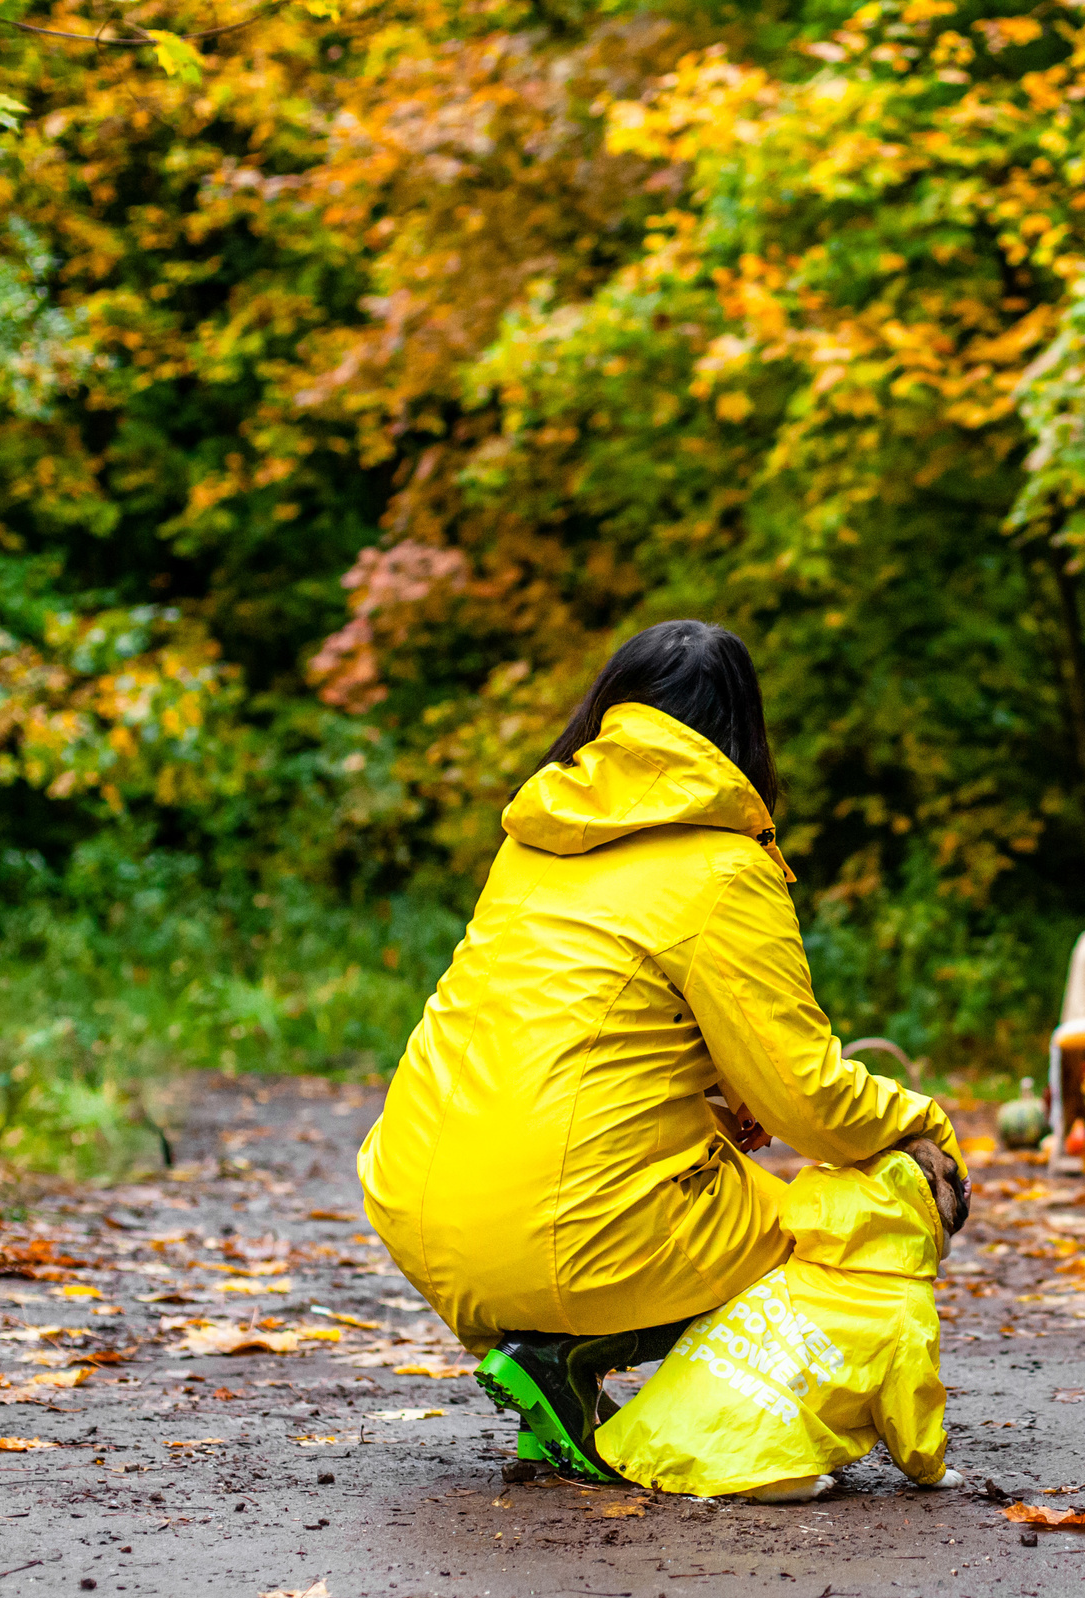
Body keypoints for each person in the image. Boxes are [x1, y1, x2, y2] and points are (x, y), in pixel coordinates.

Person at [357, 620, 962, 1480]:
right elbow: (810, 1100)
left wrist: (719, 1100)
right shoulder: (724, 866)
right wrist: (921, 1123)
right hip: (561, 1231)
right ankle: (576, 1358)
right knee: (833, 1222)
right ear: (742, 736)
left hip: (419, 1200)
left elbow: (574, 1034)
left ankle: (559, 1377)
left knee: (672, 1185)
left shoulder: (537, 838)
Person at [594, 1135, 967, 1502]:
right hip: (750, 1450)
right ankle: (770, 1479)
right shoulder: (902, 1302)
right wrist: (926, 1467)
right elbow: (910, 1393)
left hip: (660, 1429)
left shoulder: (813, 1255)